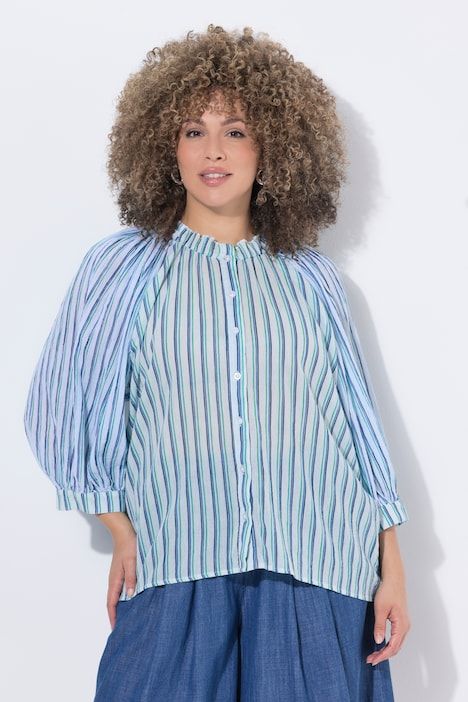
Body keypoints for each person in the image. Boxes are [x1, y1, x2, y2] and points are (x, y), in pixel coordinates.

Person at [23, 23, 411, 701]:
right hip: (178, 559)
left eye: (236, 130)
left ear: (274, 146)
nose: (213, 150)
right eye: (192, 130)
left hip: (316, 563)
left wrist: (393, 567)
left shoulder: (311, 278)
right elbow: (58, 405)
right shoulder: (123, 269)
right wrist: (116, 524)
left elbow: (356, 425)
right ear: (163, 146)